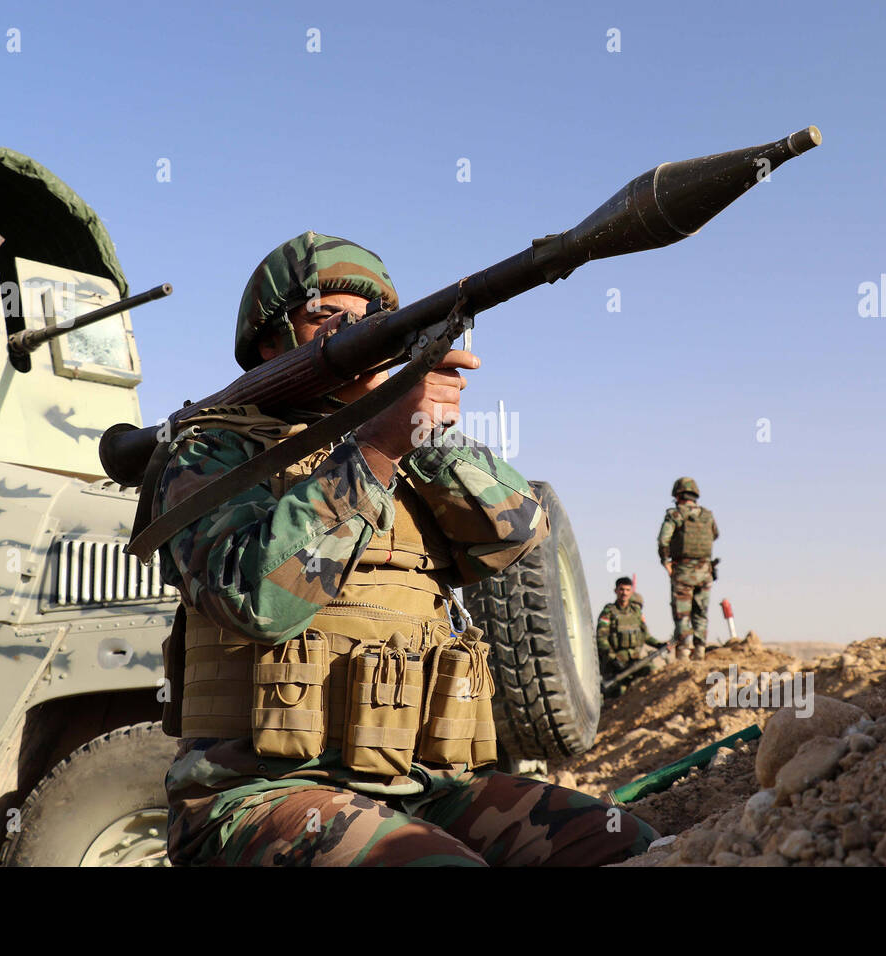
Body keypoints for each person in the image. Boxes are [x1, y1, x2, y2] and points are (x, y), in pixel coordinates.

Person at [148, 231, 658, 866]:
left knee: (626, 845)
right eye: (325, 315)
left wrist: (423, 426)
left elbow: (519, 533)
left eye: (369, 321)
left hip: (426, 787)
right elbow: (258, 600)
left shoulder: (409, 446)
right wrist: (377, 449)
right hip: (260, 792)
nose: (354, 330)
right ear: (271, 342)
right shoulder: (213, 451)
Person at [656, 477, 719, 661]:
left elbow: (663, 540)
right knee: (701, 613)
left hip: (683, 571)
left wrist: (665, 561)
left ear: (677, 495)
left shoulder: (675, 515)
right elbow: (715, 535)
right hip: (705, 571)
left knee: (683, 614)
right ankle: (699, 652)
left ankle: (683, 655)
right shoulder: (707, 516)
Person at [596, 577, 668, 695]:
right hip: (615, 665)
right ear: (616, 591)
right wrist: (613, 658)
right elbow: (601, 639)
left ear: (631, 592)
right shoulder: (609, 611)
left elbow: (646, 636)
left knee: (653, 672)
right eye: (621, 589)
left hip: (634, 662)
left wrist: (659, 644)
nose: (624, 593)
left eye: (628, 590)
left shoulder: (636, 611)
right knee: (618, 693)